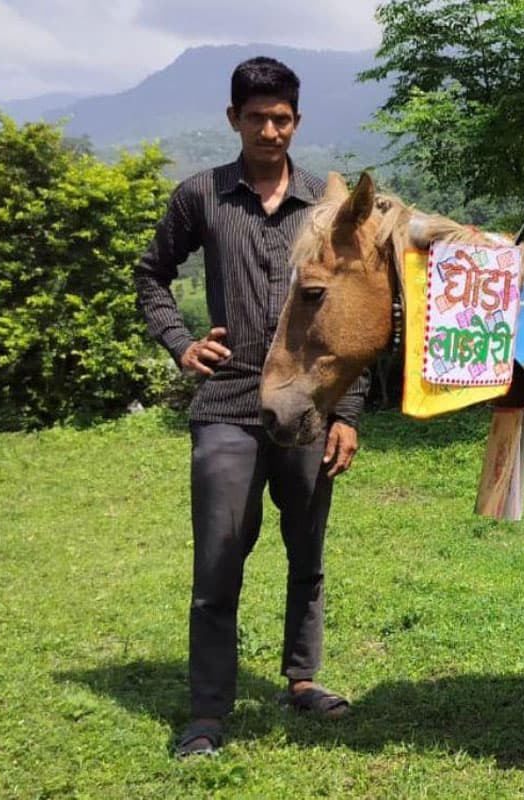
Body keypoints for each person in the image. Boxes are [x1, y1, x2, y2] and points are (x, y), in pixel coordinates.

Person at [134, 56, 369, 757]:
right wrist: (181, 343)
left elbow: (353, 317)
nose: (271, 131)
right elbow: (151, 275)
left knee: (307, 552)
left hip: (306, 409)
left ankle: (302, 679)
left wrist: (347, 412)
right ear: (233, 118)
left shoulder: (324, 208)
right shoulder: (201, 197)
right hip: (228, 403)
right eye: (258, 118)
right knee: (218, 561)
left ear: (297, 120)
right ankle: (209, 711)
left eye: (283, 119)